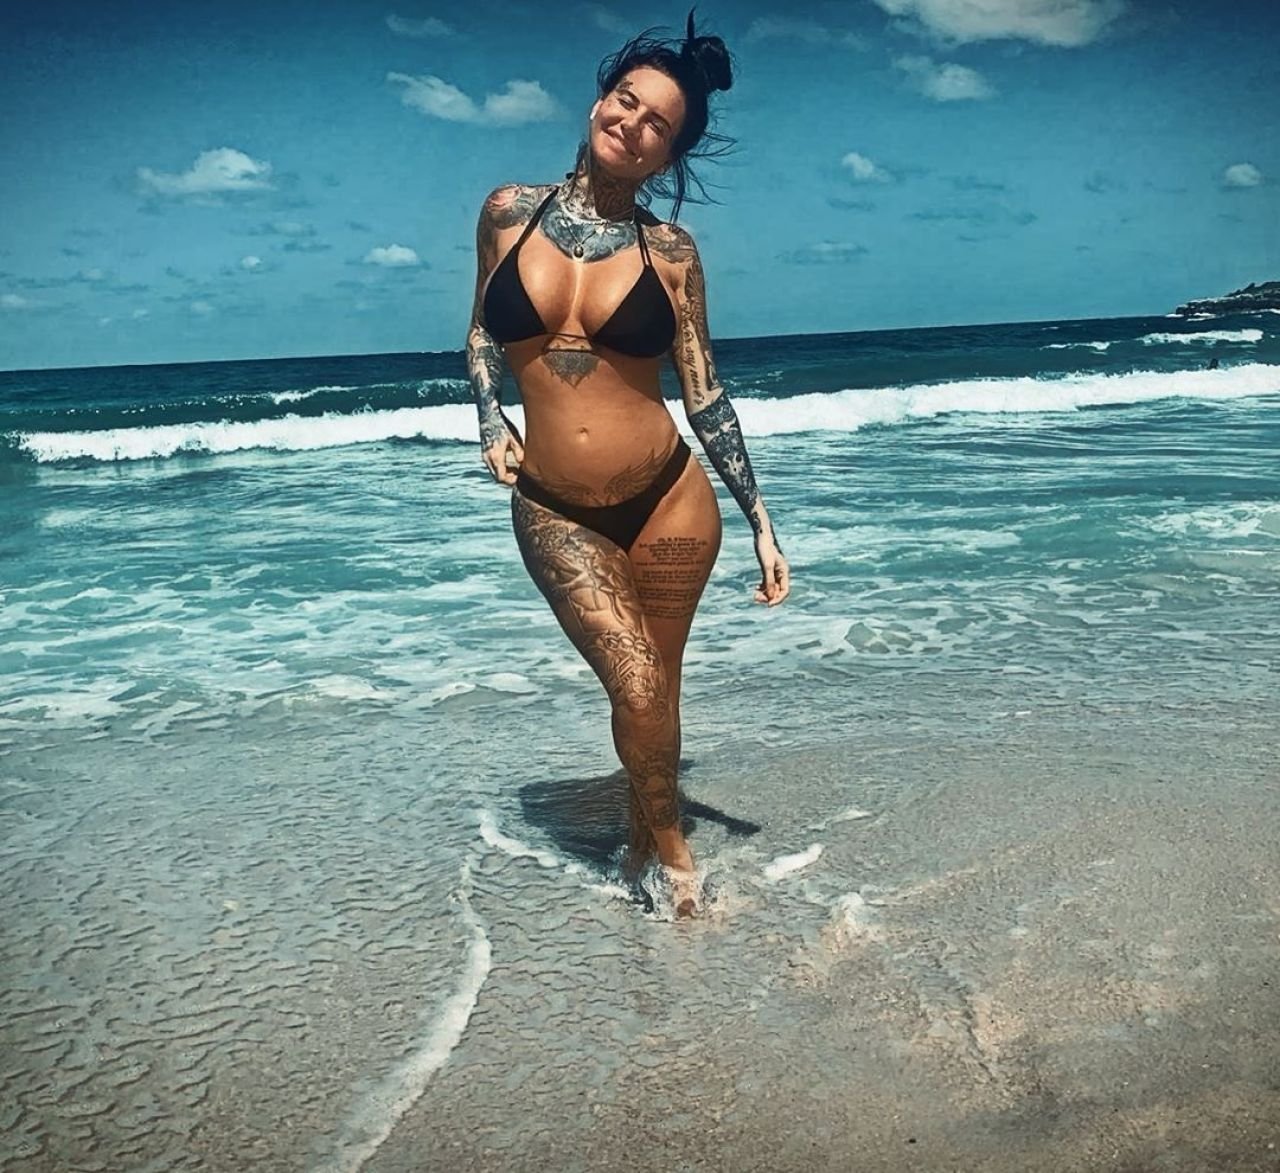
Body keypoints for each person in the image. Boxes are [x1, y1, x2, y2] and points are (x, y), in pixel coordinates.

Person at [465, 14, 789, 916]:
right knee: (638, 682)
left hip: (670, 500)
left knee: (658, 694)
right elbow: (483, 331)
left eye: (658, 125)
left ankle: (645, 842)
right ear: (600, 99)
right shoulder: (506, 213)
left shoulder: (671, 252)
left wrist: (761, 520)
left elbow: (704, 392)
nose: (632, 124)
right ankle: (676, 858)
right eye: (626, 100)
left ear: (668, 155)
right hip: (555, 505)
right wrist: (491, 417)